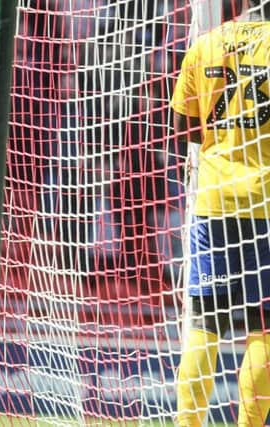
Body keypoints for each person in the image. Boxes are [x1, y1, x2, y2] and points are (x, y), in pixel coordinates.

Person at [171, 0, 270, 425]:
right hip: (265, 202)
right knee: (263, 329)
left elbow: (185, 128)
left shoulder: (206, 44)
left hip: (213, 202)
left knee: (205, 325)